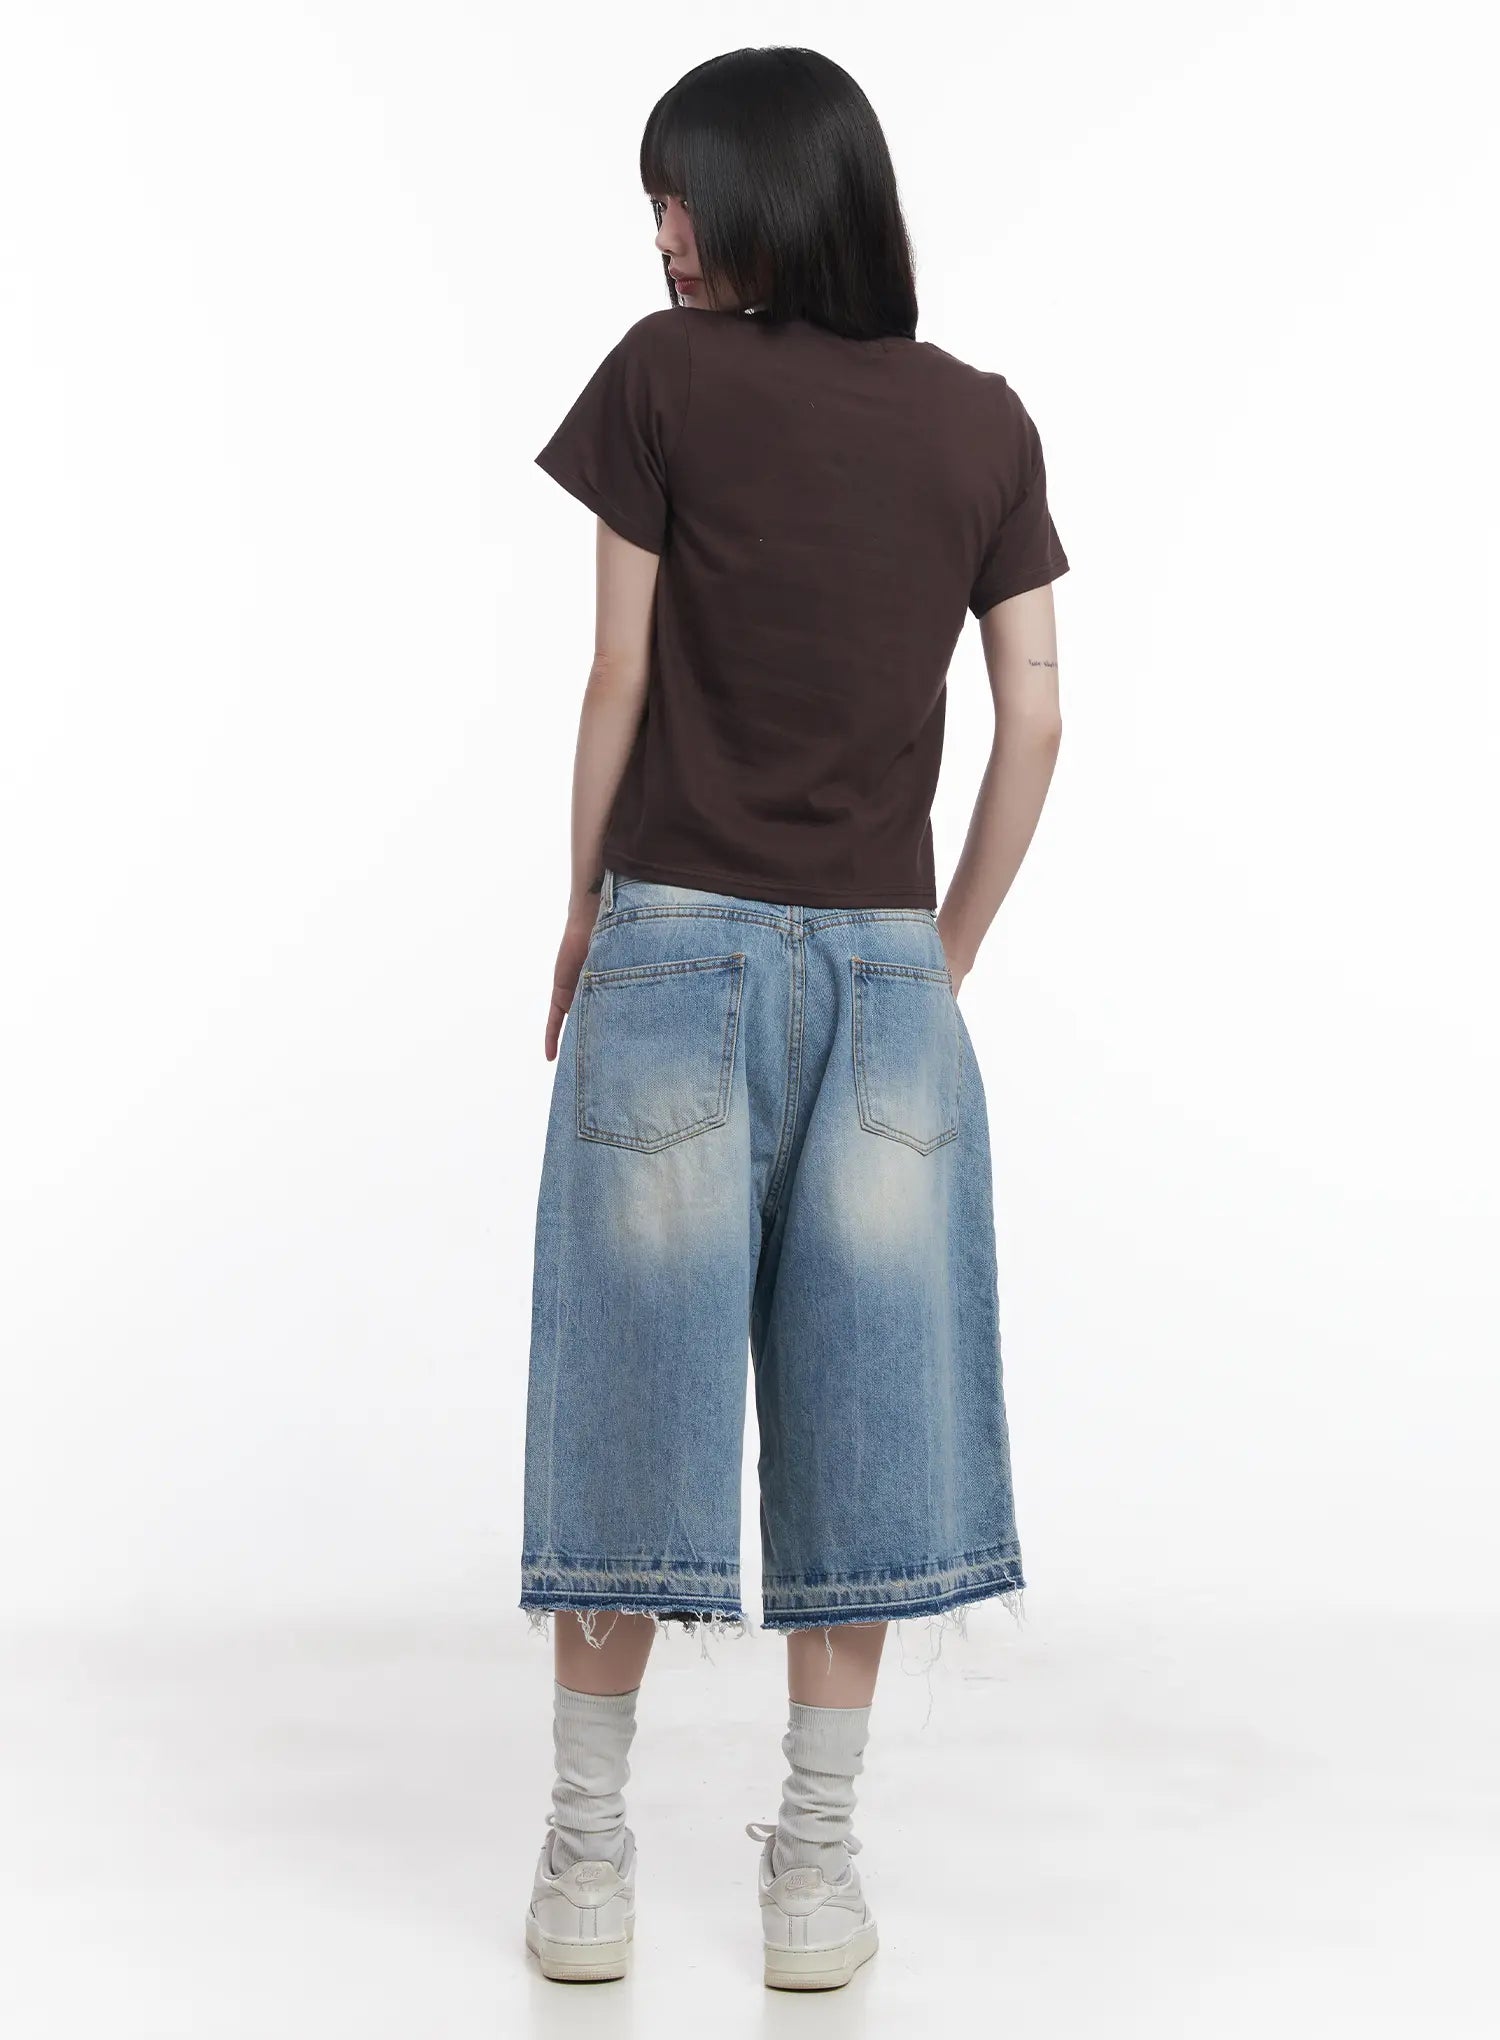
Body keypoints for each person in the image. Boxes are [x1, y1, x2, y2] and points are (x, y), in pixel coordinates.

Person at [519, 44, 1069, 1992]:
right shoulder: (983, 424)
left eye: (679, 196)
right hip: (886, 979)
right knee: (869, 1420)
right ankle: (816, 1880)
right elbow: (1038, 718)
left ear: (764, 193)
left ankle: (588, 1868)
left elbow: (615, 678)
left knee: (630, 1406)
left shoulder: (662, 380)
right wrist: (945, 948)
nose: (664, 235)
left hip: (674, 950)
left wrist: (581, 911)